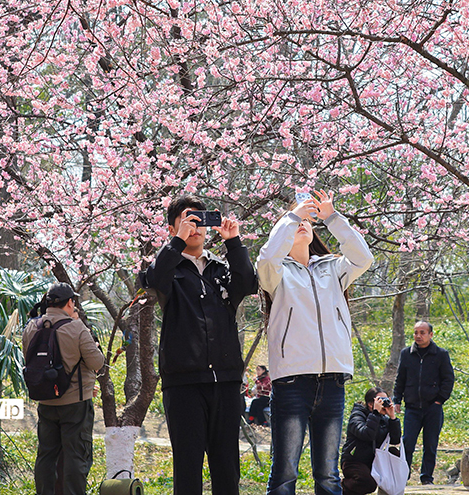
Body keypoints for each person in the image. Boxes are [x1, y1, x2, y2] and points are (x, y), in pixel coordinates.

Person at [258, 190, 374, 495]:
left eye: (307, 222)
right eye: (296, 221)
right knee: (284, 475)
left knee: (328, 475)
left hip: (333, 381)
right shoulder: (277, 273)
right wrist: (293, 215)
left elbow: (364, 257)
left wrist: (332, 218)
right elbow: (267, 256)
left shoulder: (334, 268)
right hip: (292, 381)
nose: (301, 224)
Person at [140, 195, 258, 495]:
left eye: (199, 220)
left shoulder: (220, 268)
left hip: (226, 380)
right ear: (172, 228)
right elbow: (154, 279)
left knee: (227, 466)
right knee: (188, 467)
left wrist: (233, 242)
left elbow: (247, 284)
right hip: (184, 383)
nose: (195, 227)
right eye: (187, 221)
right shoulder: (170, 269)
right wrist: (176, 243)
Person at [22, 283, 106, 495]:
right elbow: (97, 363)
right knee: (76, 456)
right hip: (75, 402)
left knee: (46, 455)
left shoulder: (31, 327)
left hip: (45, 400)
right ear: (70, 303)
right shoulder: (77, 327)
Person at [392, 320, 455, 484]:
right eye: (415, 332)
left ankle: (426, 477)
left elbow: (448, 379)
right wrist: (397, 399)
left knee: (430, 444)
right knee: (407, 443)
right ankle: (402, 477)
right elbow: (400, 379)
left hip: (433, 408)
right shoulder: (406, 354)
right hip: (412, 408)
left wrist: (440, 400)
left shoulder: (440, 354)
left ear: (430, 334)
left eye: (422, 332)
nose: (418, 336)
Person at [340, 387, 401, 495]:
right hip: (354, 460)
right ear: (370, 404)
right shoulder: (357, 416)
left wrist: (392, 418)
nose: (384, 403)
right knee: (368, 483)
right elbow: (367, 434)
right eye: (380, 400)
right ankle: (341, 486)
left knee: (395, 453)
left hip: (374, 460)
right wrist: (375, 413)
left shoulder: (383, 419)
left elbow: (395, 440)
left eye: (386, 400)